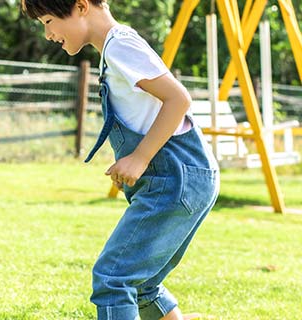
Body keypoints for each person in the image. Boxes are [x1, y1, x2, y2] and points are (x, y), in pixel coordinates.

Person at [19, 0, 220, 319]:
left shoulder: (119, 45)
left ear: (81, 6)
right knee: (142, 286)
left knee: (114, 278)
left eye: (47, 21)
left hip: (175, 178)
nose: (47, 33)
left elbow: (178, 99)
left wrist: (139, 158)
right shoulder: (115, 48)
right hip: (182, 178)